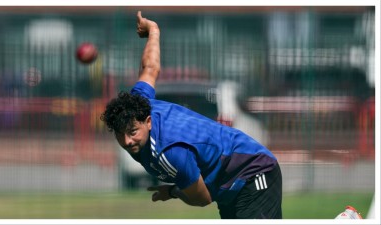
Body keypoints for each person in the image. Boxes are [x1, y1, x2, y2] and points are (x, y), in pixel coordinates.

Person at [101, 11, 282, 219]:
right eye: (119, 134)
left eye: (132, 132)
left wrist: (172, 191)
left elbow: (202, 198)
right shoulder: (139, 104)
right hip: (230, 186)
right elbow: (149, 68)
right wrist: (153, 31)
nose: (127, 141)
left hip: (253, 172)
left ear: (148, 122)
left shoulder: (168, 152)